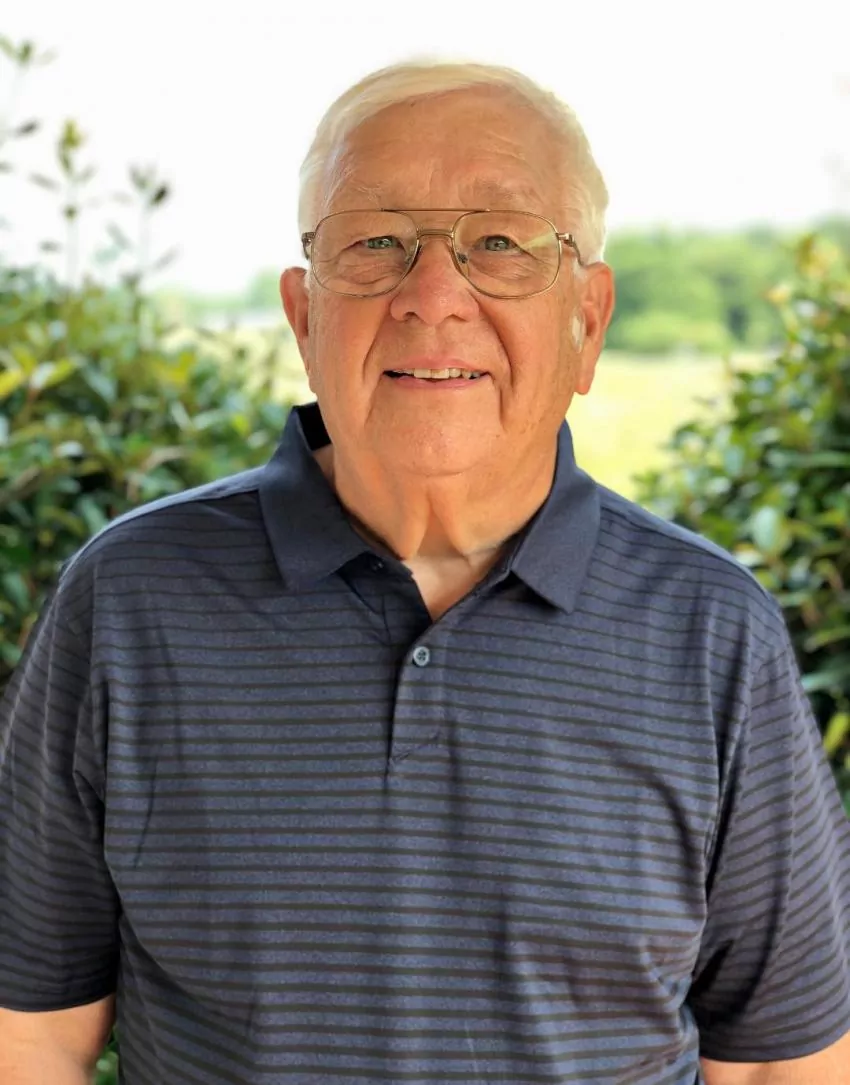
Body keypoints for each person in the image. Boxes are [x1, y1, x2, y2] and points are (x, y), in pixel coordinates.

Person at [1, 58, 848, 1085]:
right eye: (375, 242)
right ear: (303, 317)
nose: (434, 296)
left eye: (500, 242)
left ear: (587, 320)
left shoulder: (713, 634)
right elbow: (30, 1034)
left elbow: (779, 1065)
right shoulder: (128, 599)